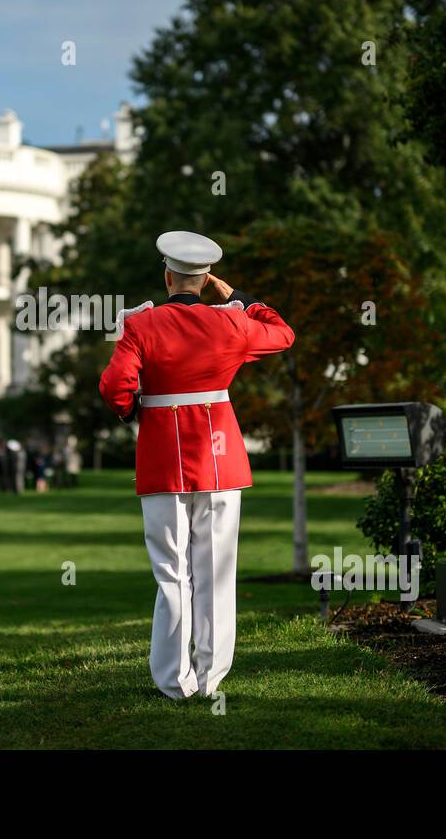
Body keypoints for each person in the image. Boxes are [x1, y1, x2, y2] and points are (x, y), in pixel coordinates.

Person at [98, 231, 295, 700]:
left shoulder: (140, 326)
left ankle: (173, 681)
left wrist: (132, 411)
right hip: (221, 460)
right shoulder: (232, 324)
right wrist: (239, 298)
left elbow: (114, 386)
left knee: (172, 572)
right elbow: (284, 333)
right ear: (207, 281)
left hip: (163, 460)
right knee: (215, 570)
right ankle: (211, 678)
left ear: (167, 276)